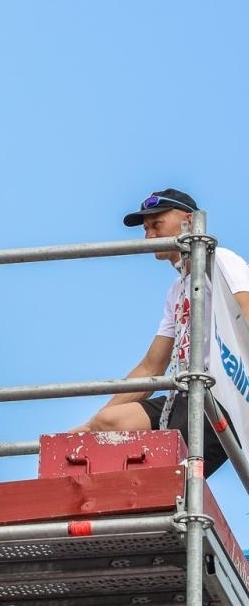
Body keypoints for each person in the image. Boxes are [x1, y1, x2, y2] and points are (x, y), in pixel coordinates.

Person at [74, 189, 249, 476]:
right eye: (146, 229)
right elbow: (151, 366)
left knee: (167, 478)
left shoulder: (221, 261)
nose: (149, 235)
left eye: (157, 224)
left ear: (189, 221)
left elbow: (245, 313)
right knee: (109, 422)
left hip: (222, 395)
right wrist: (89, 425)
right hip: (184, 393)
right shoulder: (177, 290)